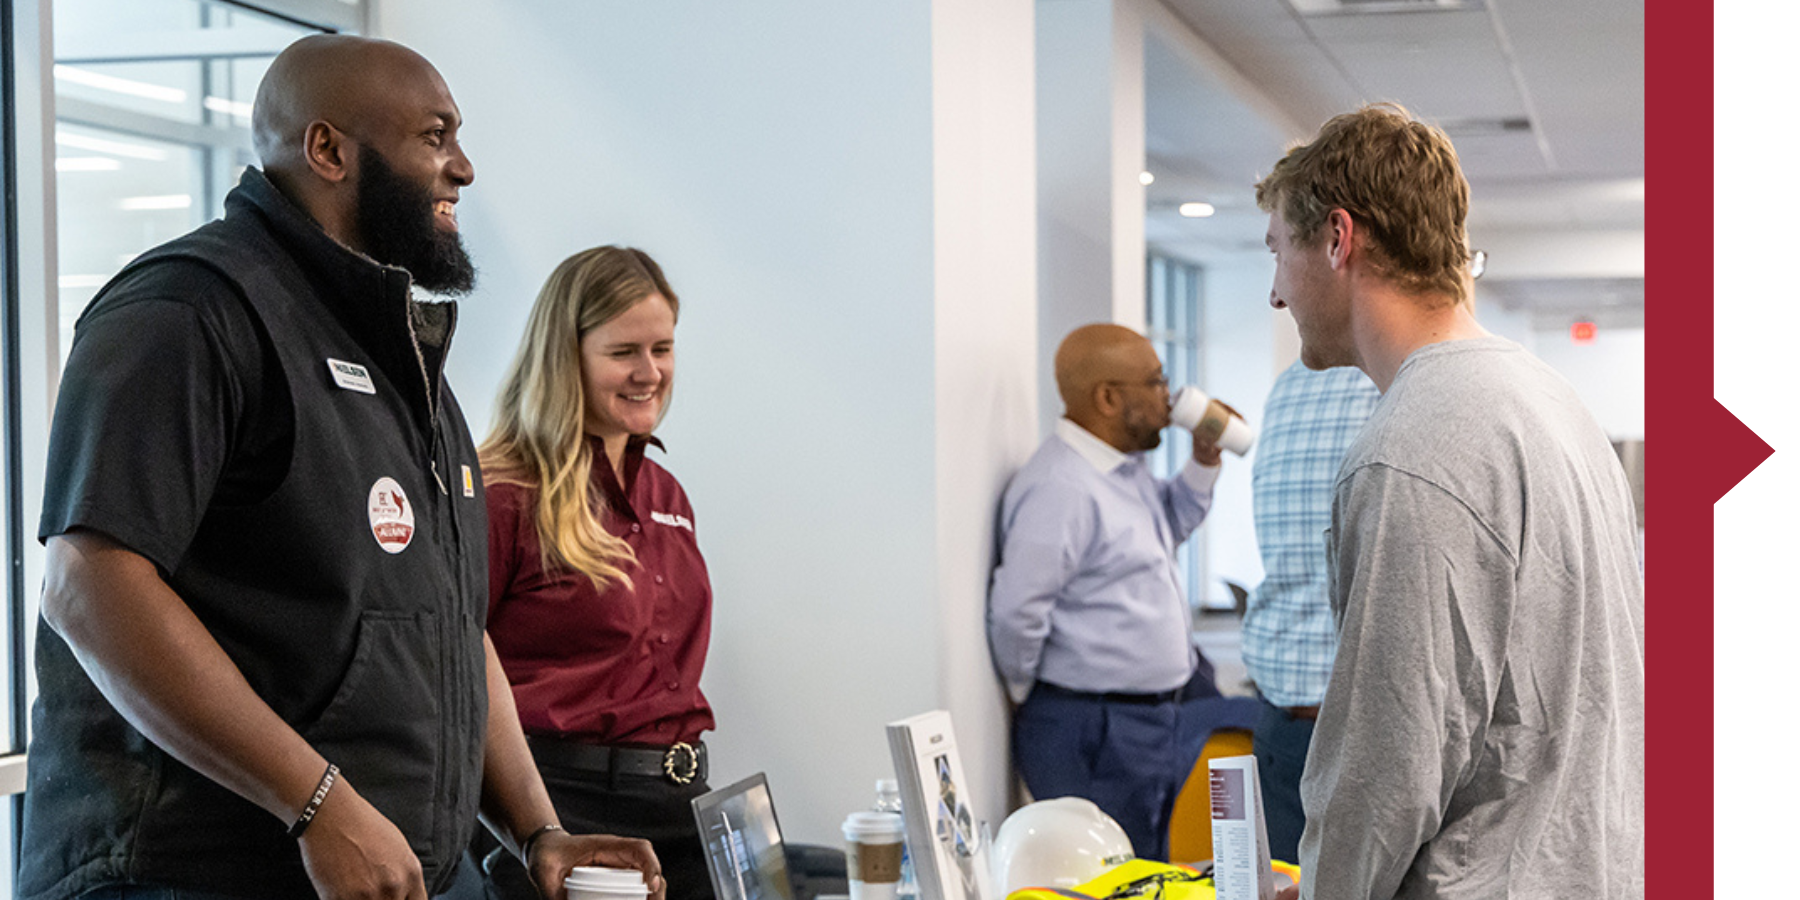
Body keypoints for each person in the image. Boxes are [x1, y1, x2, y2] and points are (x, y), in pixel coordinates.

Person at [21, 35, 663, 900]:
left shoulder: (400, 360)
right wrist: (316, 804)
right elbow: (89, 586)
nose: (464, 168)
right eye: (435, 136)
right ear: (328, 150)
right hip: (197, 872)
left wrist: (537, 829)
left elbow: (451, 628)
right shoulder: (187, 311)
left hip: (392, 875)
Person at [1256, 103, 1643, 899]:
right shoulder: (1548, 399)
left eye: (1276, 252)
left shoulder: (1412, 447)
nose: (1273, 294)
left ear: (1337, 238)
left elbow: (1385, 765)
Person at [476, 247, 716, 900]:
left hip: (681, 805)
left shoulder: (666, 495)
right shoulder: (500, 495)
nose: (649, 372)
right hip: (565, 812)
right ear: (567, 356)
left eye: (662, 348)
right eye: (624, 352)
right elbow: (450, 668)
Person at [987, 323, 1251, 862]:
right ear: (1107, 398)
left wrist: (1204, 461)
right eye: (1155, 382)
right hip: (1096, 726)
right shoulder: (1062, 487)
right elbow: (1017, 614)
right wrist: (1036, 695)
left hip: (1147, 717)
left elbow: (1169, 525)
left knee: (1147, 868)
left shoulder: (1119, 471)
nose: (1169, 397)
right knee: (1109, 877)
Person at [1241, 360, 1379, 864]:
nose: (1275, 296)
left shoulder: (1289, 386)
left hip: (1283, 720)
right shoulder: (1400, 385)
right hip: (1358, 735)